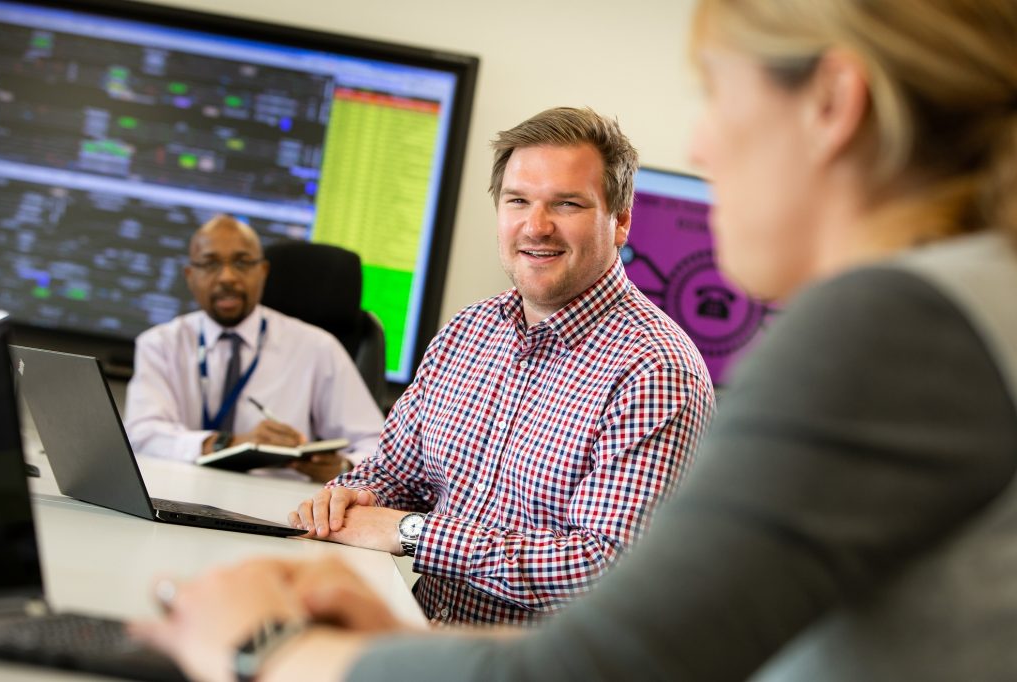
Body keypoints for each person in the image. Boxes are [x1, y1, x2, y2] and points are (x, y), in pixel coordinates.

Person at [132, 0, 1017, 679]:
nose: (702, 146)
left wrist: (262, 647)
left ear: (831, 103)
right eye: (518, 201)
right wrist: (400, 638)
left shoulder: (891, 329)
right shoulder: (967, 302)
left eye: (715, 93)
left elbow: (600, 666)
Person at [286, 107, 715, 625]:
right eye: (518, 201)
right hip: (428, 637)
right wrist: (350, 497)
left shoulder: (655, 369)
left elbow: (601, 568)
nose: (536, 226)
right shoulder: (468, 331)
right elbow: (395, 471)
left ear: (620, 220)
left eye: (567, 204)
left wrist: (411, 532)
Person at [123, 214, 385, 482]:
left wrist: (343, 466)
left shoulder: (317, 347)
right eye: (210, 264)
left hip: (280, 507)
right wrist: (227, 444)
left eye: (242, 263)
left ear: (263, 272)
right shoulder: (160, 345)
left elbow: (381, 447)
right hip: (178, 496)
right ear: (190, 276)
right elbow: (142, 435)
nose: (227, 277)